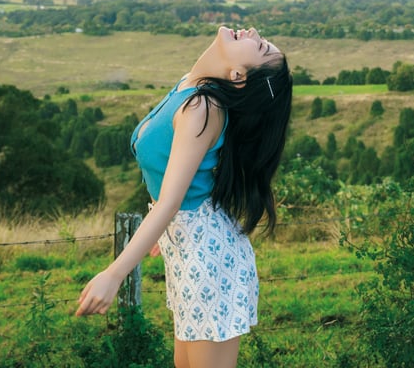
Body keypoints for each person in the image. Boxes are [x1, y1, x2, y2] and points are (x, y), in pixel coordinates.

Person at [76, 25, 293, 368]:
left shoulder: (201, 108)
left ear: (237, 76)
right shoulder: (191, 85)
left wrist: (114, 274)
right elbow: (170, 176)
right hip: (188, 247)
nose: (252, 32)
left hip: (208, 259)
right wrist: (165, 230)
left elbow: (171, 201)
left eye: (261, 45)